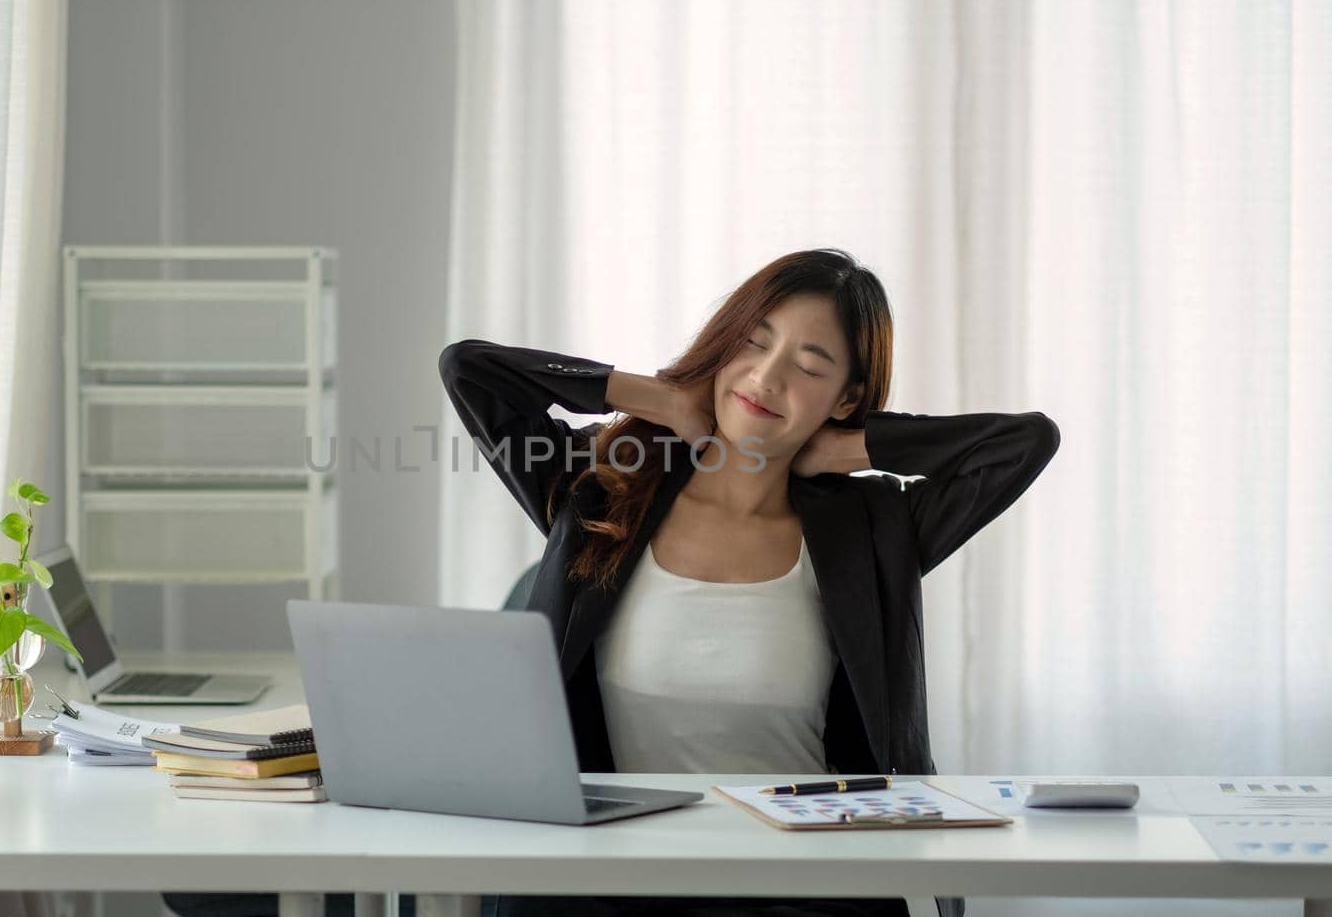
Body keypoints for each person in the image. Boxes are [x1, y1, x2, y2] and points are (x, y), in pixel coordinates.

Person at [438, 248, 1061, 917]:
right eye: (753, 344)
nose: (765, 379)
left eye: (809, 366)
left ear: (846, 395)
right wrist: (659, 397)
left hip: (805, 890)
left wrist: (848, 446)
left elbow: (1023, 442)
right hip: (617, 889)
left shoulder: (869, 531)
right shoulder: (605, 494)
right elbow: (470, 371)